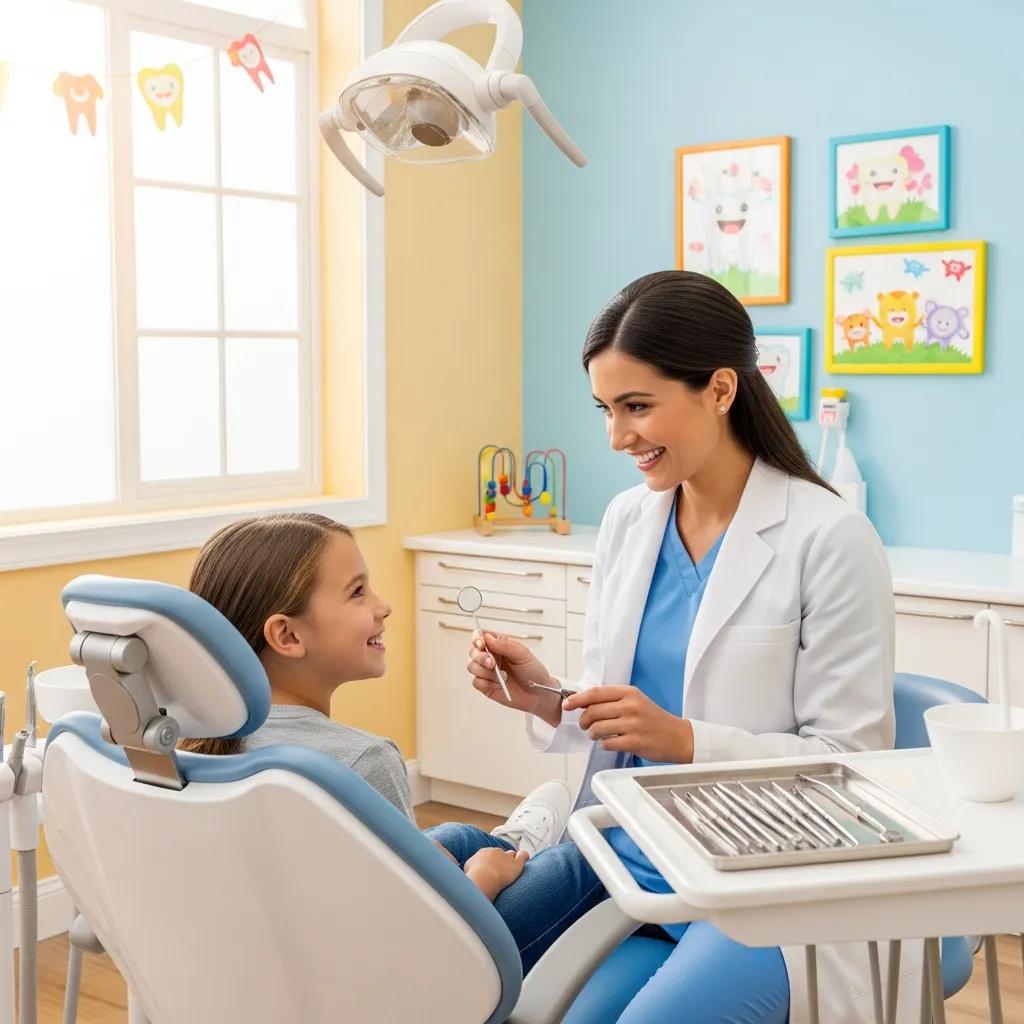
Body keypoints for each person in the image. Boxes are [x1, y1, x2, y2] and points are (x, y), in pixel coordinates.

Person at [464, 270, 898, 1023]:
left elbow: (852, 764)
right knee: (461, 963)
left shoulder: (829, 538)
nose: (616, 435)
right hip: (622, 849)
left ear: (721, 390)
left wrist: (686, 741)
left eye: (637, 406)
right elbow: (617, 708)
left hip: (758, 872)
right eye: (605, 409)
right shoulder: (631, 520)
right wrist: (546, 695)